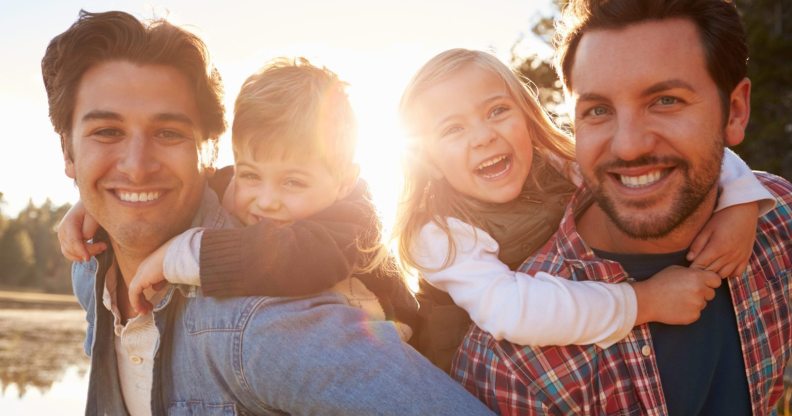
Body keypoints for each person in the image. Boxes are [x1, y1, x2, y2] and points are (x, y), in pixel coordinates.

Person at [43, 10, 494, 415]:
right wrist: (96, 199)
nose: (137, 167)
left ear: (208, 151)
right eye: (107, 132)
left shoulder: (267, 324)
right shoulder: (91, 267)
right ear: (68, 152)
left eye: (168, 133)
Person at [452, 0, 792, 414]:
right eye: (598, 110)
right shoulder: (516, 366)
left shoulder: (778, 223)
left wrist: (745, 200)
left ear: (734, 112)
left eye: (665, 100)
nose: (628, 145)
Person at [394, 47, 774, 373]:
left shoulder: (559, 165)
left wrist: (739, 201)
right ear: (427, 159)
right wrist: (645, 301)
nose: (483, 136)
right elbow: (512, 311)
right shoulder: (437, 231)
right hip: (483, 382)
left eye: (496, 111)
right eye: (452, 129)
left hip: (581, 341)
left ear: (526, 115)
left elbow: (673, 157)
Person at [58, 57, 418, 341]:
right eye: (251, 175)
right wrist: (95, 206)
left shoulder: (352, 223)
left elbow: (294, 257)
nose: (267, 200)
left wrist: (179, 256)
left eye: (293, 182)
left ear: (343, 181)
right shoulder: (232, 186)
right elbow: (183, 190)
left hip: (391, 349)